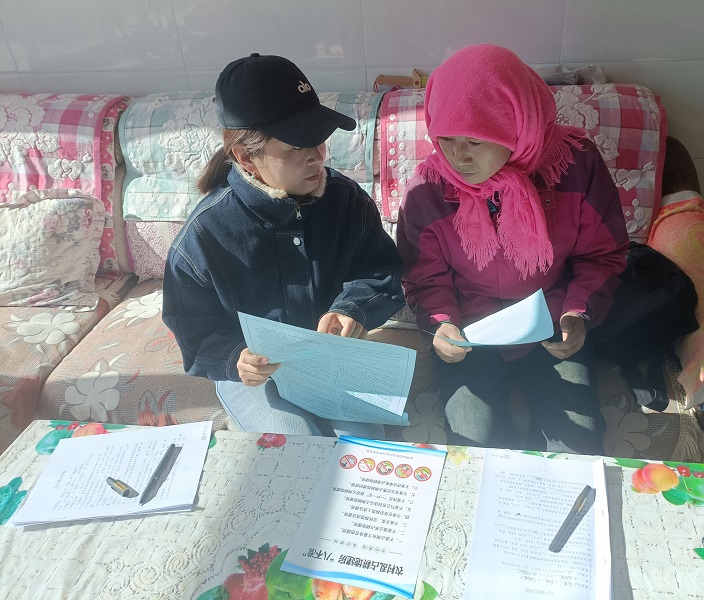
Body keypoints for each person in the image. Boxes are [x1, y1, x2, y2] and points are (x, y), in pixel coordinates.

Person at [396, 45, 629, 454]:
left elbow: (602, 255)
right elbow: (423, 278)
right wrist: (441, 325)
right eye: (445, 138)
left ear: (519, 127)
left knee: (579, 445)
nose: (458, 157)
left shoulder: (575, 166)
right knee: (471, 448)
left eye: (475, 141)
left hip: (551, 324)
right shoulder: (428, 191)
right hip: (471, 332)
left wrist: (578, 314)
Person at [162, 53, 405, 439]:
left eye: (318, 139)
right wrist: (235, 358)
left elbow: (379, 270)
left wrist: (352, 309)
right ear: (246, 156)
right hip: (255, 377)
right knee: (294, 442)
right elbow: (194, 329)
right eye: (295, 148)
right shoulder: (204, 235)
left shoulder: (347, 200)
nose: (316, 157)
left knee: (367, 445)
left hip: (329, 360)